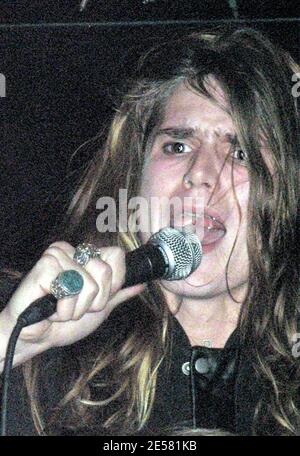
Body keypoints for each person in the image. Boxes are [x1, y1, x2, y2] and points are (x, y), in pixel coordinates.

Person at [0, 27, 299, 436]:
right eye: (177, 146)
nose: (201, 175)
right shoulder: (35, 328)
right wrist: (12, 342)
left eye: (241, 152)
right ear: (135, 175)